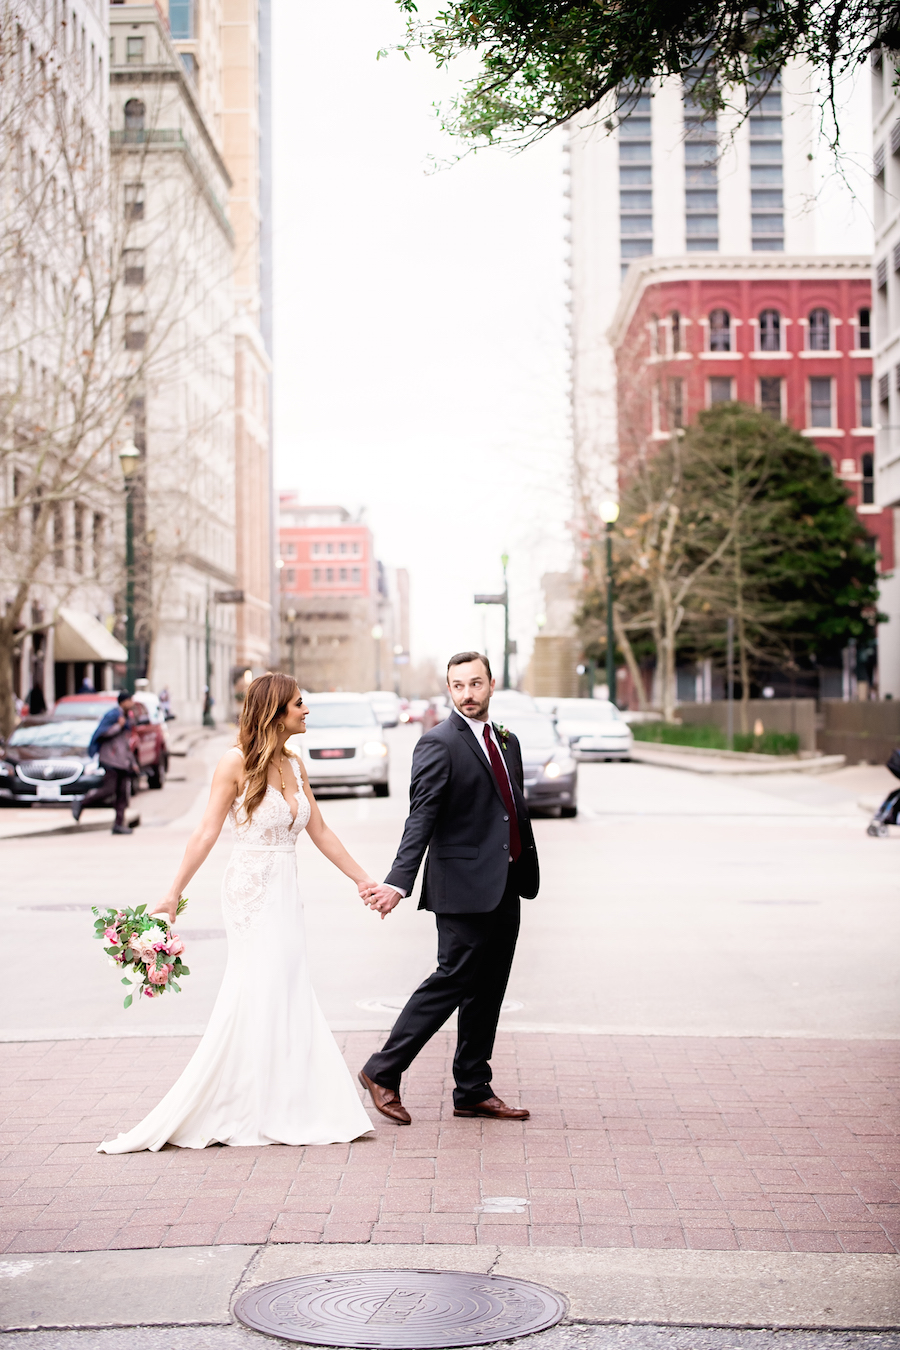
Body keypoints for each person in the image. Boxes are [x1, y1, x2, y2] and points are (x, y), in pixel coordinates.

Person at [97, 672, 375, 1153]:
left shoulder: (295, 763)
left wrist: (363, 880)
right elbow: (205, 833)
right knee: (260, 984)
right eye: (298, 705)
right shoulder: (234, 762)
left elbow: (321, 831)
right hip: (250, 890)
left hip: (287, 889)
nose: (307, 711)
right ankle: (246, 1103)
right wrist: (172, 894)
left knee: (288, 984)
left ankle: (288, 1101)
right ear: (274, 711)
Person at [359, 651, 539, 1125]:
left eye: (475, 684)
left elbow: (508, 808)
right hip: (460, 886)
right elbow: (422, 817)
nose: (467, 694)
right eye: (457, 686)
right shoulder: (438, 743)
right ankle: (383, 1069)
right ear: (449, 688)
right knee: (453, 978)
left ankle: (472, 1088)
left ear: (491, 684)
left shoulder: (507, 740)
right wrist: (399, 881)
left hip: (505, 883)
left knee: (490, 986)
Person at [73, 691, 137, 834]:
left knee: (122, 795)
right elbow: (102, 733)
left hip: (122, 762)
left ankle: (118, 825)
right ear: (123, 702)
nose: (132, 704)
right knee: (108, 790)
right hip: (110, 760)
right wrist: (118, 726)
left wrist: (132, 762)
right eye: (130, 700)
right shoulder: (113, 716)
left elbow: (126, 742)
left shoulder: (127, 717)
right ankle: (82, 802)